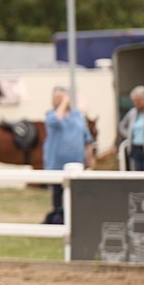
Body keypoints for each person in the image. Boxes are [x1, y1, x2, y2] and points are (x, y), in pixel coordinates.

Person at [42, 86, 95, 225]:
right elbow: (56, 120)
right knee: (58, 192)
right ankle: (59, 217)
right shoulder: (50, 115)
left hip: (76, 161)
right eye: (56, 98)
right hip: (57, 162)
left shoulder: (77, 116)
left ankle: (75, 218)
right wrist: (63, 103)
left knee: (75, 192)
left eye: (61, 97)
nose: (59, 100)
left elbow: (87, 138)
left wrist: (89, 157)